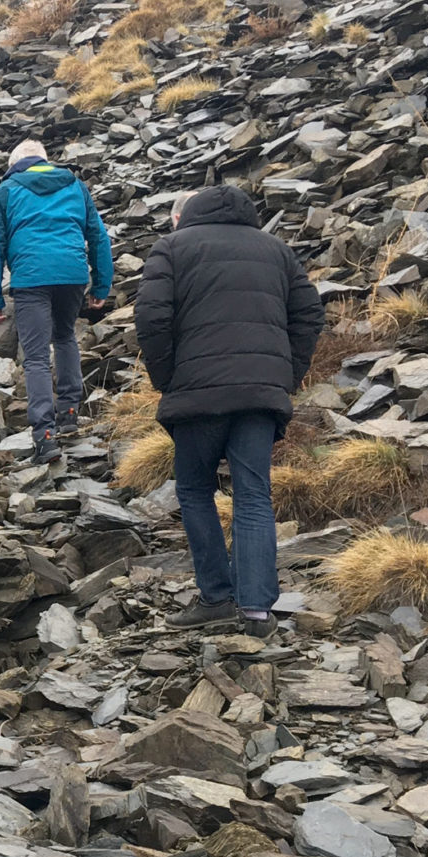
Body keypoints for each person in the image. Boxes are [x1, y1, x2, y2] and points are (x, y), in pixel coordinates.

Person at [135, 185, 325, 638]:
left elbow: (151, 317)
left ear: (182, 216)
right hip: (260, 397)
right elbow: (309, 315)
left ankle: (216, 599)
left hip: (196, 395)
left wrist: (168, 378)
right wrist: (285, 375)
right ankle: (257, 610)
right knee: (253, 493)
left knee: (196, 490)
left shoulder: (172, 246)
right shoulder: (275, 249)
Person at [0, 138, 114, 463]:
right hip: (71, 274)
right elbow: (97, 235)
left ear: (15, 165)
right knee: (66, 336)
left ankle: (45, 437)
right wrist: (101, 285)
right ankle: (68, 413)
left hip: (31, 277)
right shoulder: (75, 185)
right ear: (44, 160)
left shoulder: (6, 191)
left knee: (37, 357)